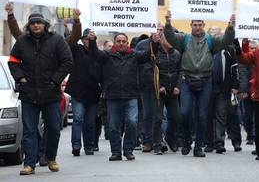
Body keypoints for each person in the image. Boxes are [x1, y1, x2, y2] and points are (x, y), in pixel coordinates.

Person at [8, 12, 73, 175]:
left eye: (39, 22)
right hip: (29, 94)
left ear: (45, 24)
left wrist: (54, 81)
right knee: (29, 130)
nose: (36, 25)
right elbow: (13, 62)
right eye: (33, 23)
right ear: (28, 26)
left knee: (53, 128)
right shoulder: (22, 41)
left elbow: (67, 62)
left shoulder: (57, 40)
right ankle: (29, 163)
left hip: (51, 93)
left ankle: (50, 158)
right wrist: (20, 78)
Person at [164, 11, 235, 157]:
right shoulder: (184, 38)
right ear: (191, 25)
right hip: (187, 80)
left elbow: (226, 40)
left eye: (200, 24)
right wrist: (168, 22)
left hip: (205, 81)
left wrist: (230, 26)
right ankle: (186, 140)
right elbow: (170, 36)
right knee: (185, 113)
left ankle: (198, 147)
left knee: (202, 116)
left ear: (204, 25)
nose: (197, 27)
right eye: (195, 24)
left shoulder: (211, 40)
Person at [89, 32, 155, 161]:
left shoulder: (134, 55)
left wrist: (155, 42)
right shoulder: (107, 55)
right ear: (115, 43)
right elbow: (95, 54)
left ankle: (128, 150)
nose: (121, 43)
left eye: (123, 41)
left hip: (131, 95)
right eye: (118, 41)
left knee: (132, 122)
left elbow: (148, 55)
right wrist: (92, 41)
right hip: (113, 96)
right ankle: (116, 152)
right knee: (113, 126)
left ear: (127, 43)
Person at [65, 28, 102, 156]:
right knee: (78, 118)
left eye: (91, 39)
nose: (89, 41)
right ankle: (76, 145)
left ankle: (89, 146)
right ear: (82, 40)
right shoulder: (77, 50)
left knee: (90, 122)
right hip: (78, 92)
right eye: (86, 39)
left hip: (93, 93)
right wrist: (68, 28)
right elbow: (70, 41)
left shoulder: (98, 54)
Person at [205, 27, 240, 153]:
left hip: (223, 88)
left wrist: (235, 86)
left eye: (218, 34)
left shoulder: (229, 50)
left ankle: (219, 142)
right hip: (207, 87)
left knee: (221, 114)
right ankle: (209, 142)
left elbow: (235, 69)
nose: (216, 37)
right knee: (208, 115)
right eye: (212, 34)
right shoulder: (206, 48)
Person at [151, 24, 181, 155]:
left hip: (173, 91)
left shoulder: (176, 53)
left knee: (175, 117)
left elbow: (180, 71)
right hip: (160, 91)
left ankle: (169, 138)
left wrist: (178, 86)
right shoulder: (154, 52)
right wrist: (160, 86)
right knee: (158, 118)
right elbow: (152, 71)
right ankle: (157, 144)